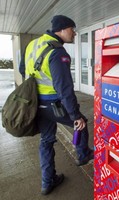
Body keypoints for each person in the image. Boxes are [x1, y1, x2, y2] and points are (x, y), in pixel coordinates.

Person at [19, 15, 93, 195]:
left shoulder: (33, 44)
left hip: (37, 104)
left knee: (46, 141)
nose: (74, 33)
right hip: (53, 104)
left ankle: (47, 181)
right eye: (72, 29)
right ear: (61, 29)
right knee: (81, 124)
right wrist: (75, 115)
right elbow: (64, 89)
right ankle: (83, 155)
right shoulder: (57, 52)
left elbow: (23, 69)